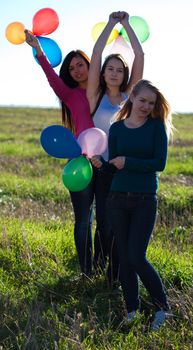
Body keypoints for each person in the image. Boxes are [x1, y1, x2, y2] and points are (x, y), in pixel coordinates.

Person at [91, 79, 173, 330]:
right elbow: (113, 168)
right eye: (142, 101)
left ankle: (163, 309)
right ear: (132, 98)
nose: (146, 106)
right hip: (116, 199)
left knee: (137, 256)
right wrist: (101, 165)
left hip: (144, 200)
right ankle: (132, 309)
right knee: (125, 258)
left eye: (151, 103)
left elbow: (159, 164)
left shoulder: (157, 128)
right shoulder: (116, 129)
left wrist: (129, 162)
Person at [24, 30, 94, 276]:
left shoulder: (107, 92)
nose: (76, 70)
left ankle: (106, 268)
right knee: (83, 220)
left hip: (105, 162)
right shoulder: (70, 94)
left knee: (107, 223)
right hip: (79, 163)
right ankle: (87, 271)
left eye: (81, 65)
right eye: (72, 67)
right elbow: (51, 76)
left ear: (90, 65)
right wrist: (38, 50)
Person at [87, 11, 144, 284]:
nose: (114, 73)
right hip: (98, 166)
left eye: (119, 70)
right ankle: (99, 268)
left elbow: (140, 57)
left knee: (119, 224)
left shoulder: (129, 97)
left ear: (125, 75)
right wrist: (110, 25)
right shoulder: (95, 95)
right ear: (103, 73)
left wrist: (127, 25)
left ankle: (115, 274)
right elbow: (96, 54)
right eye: (110, 69)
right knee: (104, 223)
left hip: (121, 168)